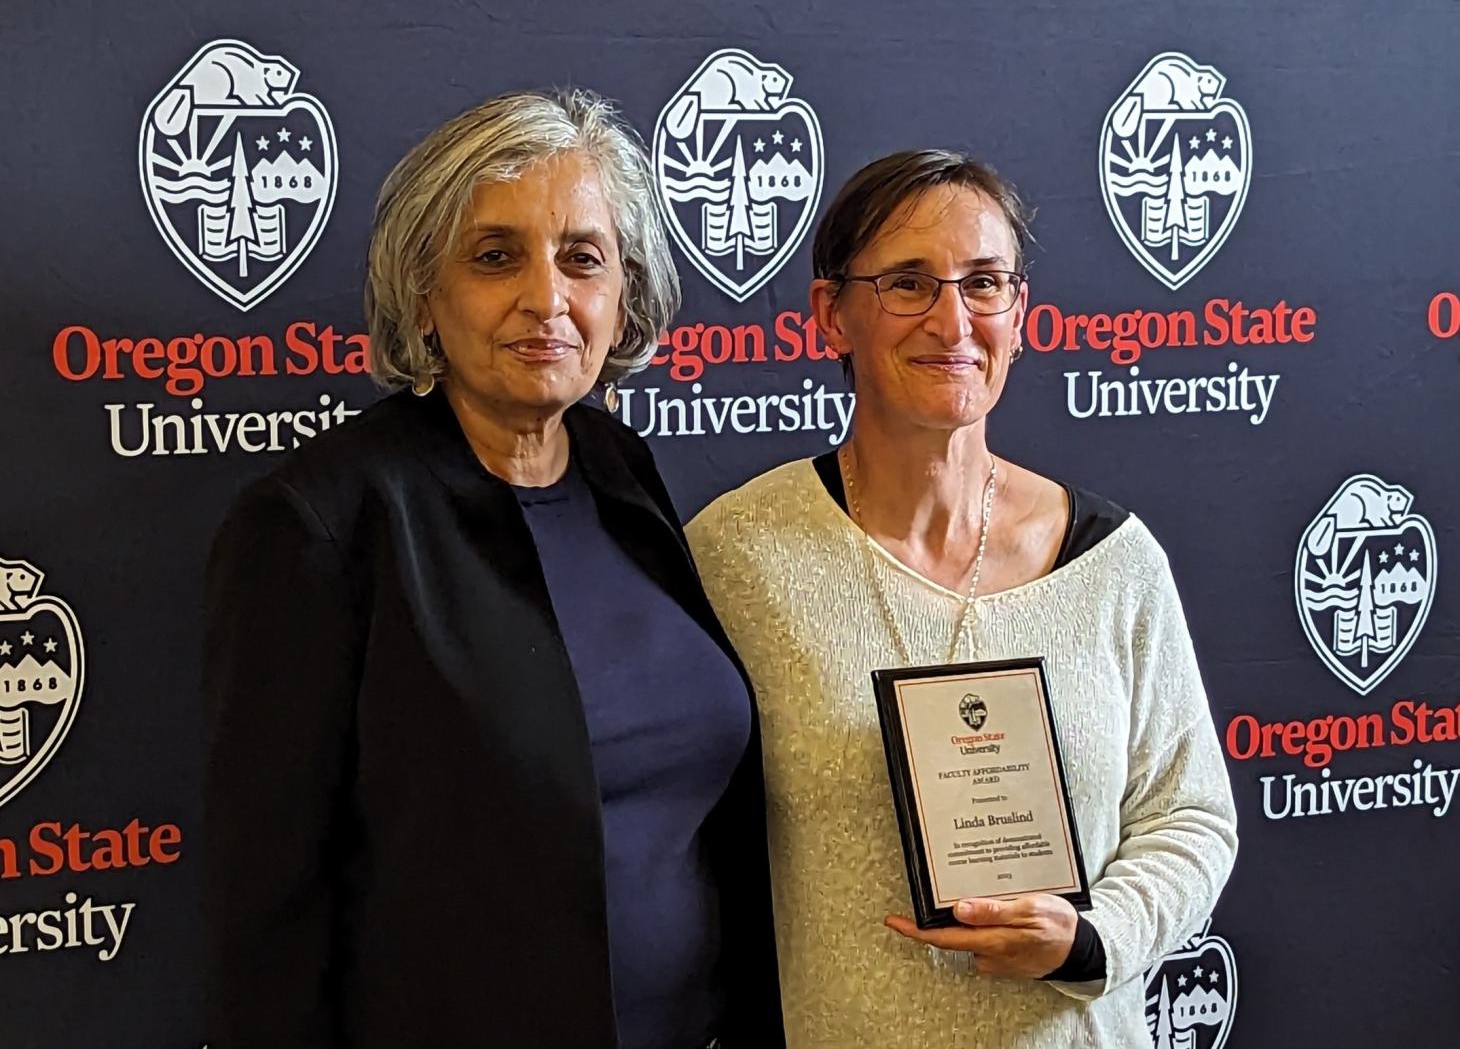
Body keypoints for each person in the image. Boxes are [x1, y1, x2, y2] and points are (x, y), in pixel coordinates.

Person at [203, 89, 782, 1049]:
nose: (546, 298)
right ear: (423, 290)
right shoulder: (321, 522)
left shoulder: (620, 466)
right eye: (495, 256)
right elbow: (266, 909)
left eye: (582, 258)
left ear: (623, 294)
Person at [686, 150, 1237, 1047]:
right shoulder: (739, 555)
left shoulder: (1113, 562)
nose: (953, 320)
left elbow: (1193, 815)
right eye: (908, 282)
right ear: (832, 314)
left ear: (1020, 314)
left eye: (985, 283)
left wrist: (1093, 937)